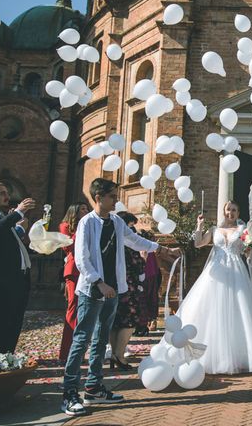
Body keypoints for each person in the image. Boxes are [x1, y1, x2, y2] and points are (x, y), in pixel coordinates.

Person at [61, 178, 180, 417]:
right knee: (82, 339)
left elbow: (135, 240)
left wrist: (162, 249)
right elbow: (82, 258)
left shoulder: (115, 221)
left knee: (100, 338)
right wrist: (99, 282)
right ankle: (69, 393)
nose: (117, 200)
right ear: (98, 198)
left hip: (114, 289)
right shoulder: (86, 223)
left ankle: (94, 387)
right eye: (112, 196)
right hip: (92, 290)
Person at [173, 200, 252, 375]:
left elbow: (248, 251)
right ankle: (211, 355)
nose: (230, 213)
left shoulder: (243, 231)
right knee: (212, 311)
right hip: (215, 273)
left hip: (236, 272)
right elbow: (198, 243)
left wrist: (249, 248)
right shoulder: (214, 230)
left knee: (237, 311)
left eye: (234, 210)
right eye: (228, 210)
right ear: (223, 211)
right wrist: (199, 226)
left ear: (238, 213)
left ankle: (240, 356)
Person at [0, 181, 35, 354]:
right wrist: (17, 213)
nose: (7, 196)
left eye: (6, 192)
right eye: (2, 193)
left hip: (16, 281)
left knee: (12, 324)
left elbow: (6, 242)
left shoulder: (1, 217)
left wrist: (19, 229)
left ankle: (6, 360)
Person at [108, 211, 147, 371]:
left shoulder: (113, 240)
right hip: (128, 286)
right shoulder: (127, 243)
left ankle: (113, 355)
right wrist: (143, 258)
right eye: (131, 226)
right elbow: (137, 265)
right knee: (130, 321)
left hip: (114, 285)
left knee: (116, 322)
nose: (133, 230)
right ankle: (119, 355)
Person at [58, 202, 90, 362]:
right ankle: (66, 353)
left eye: (87, 209)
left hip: (88, 270)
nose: (86, 211)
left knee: (85, 311)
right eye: (83, 209)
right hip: (74, 270)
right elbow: (71, 247)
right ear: (75, 211)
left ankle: (79, 350)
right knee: (73, 308)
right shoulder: (65, 226)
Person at [136, 229, 162, 335]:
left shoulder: (144, 249)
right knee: (150, 300)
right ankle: (146, 324)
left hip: (146, 277)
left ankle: (144, 325)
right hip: (151, 276)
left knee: (144, 301)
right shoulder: (149, 248)